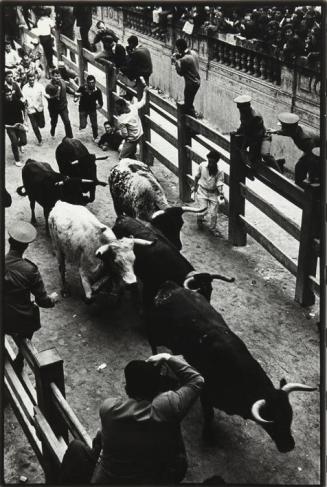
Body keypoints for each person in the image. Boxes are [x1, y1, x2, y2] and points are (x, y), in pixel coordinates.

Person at [90, 352, 204, 484]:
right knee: (178, 458)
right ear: (158, 389)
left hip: (106, 480)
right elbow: (197, 380)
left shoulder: (108, 408)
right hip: (148, 479)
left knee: (99, 434)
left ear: (127, 389)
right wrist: (167, 357)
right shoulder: (166, 408)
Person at [4, 222, 59, 373]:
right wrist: (53, 299)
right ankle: (20, 359)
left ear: (10, 242)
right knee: (33, 312)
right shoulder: (30, 270)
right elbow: (43, 301)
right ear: (26, 247)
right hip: (19, 321)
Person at [234, 94, 285, 179]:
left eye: (241, 108)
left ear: (247, 106)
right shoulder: (243, 112)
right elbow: (243, 126)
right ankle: (254, 170)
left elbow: (257, 138)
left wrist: (251, 153)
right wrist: (237, 132)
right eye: (238, 108)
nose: (239, 110)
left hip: (263, 137)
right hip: (252, 137)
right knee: (242, 150)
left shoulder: (256, 117)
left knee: (264, 155)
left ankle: (280, 176)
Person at [193, 150, 225, 236]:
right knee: (203, 210)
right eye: (209, 161)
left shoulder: (220, 171)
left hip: (213, 193)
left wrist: (221, 193)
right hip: (202, 190)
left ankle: (212, 228)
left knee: (214, 213)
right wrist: (195, 187)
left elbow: (219, 182)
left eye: (212, 162)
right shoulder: (202, 166)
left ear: (216, 161)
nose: (210, 163)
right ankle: (199, 219)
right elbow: (197, 176)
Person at [115, 87, 148, 159]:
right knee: (131, 154)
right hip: (139, 135)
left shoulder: (121, 119)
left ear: (123, 107)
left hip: (131, 140)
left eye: (118, 108)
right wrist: (145, 92)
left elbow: (125, 134)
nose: (117, 110)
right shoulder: (133, 107)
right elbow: (143, 102)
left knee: (121, 157)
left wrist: (119, 132)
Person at [172, 38, 201, 116]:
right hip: (196, 81)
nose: (177, 50)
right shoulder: (193, 53)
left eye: (178, 48)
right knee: (189, 102)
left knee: (188, 103)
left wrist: (176, 61)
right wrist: (180, 57)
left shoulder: (185, 59)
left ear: (180, 47)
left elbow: (180, 72)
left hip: (191, 83)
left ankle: (192, 120)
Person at [4, 76, 27, 167]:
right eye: (7, 95)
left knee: (24, 141)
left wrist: (25, 121)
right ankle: (17, 160)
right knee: (14, 141)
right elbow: (4, 125)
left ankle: (19, 145)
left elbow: (25, 108)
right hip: (10, 127)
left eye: (10, 94)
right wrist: (12, 127)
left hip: (20, 124)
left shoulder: (17, 101)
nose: (9, 97)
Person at [74, 74, 103, 141]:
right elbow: (76, 94)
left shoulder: (98, 91)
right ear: (87, 83)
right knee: (83, 125)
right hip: (83, 108)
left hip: (92, 108)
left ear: (95, 82)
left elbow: (101, 102)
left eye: (93, 82)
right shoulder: (82, 88)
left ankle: (95, 136)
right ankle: (83, 124)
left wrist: (99, 105)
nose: (91, 84)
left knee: (94, 124)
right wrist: (76, 98)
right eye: (89, 83)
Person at [45, 68, 73, 138]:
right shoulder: (49, 86)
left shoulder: (62, 81)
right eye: (55, 76)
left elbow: (66, 89)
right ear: (52, 76)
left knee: (67, 122)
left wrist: (74, 93)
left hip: (63, 106)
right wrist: (56, 93)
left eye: (58, 76)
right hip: (53, 108)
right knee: (54, 122)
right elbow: (49, 97)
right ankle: (52, 131)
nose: (57, 78)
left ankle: (69, 137)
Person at [123, 35, 153, 100]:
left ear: (132, 44)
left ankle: (129, 93)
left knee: (123, 69)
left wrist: (128, 53)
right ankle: (131, 89)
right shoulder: (144, 48)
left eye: (129, 44)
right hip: (148, 71)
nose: (129, 45)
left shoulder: (136, 52)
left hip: (143, 73)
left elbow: (130, 63)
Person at [22, 72, 47, 145]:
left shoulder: (40, 86)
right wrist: (24, 103)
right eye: (30, 80)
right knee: (34, 126)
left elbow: (45, 94)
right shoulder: (24, 88)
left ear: (35, 79)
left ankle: (40, 124)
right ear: (27, 80)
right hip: (31, 110)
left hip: (39, 108)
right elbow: (23, 99)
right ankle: (40, 139)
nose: (32, 81)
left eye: (33, 80)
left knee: (42, 125)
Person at [36, 8, 55, 76]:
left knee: (45, 53)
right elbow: (53, 25)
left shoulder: (39, 20)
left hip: (41, 38)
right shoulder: (48, 20)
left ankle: (48, 70)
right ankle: (50, 66)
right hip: (47, 37)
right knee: (49, 53)